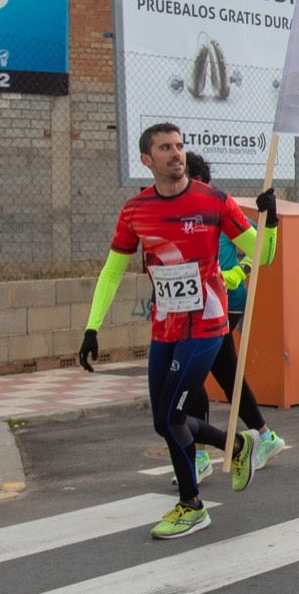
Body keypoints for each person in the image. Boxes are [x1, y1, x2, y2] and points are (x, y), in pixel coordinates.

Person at [78, 123, 265, 539]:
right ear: (147, 160)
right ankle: (236, 446)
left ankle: (191, 505)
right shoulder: (135, 211)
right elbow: (112, 271)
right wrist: (92, 327)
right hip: (165, 325)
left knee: (172, 414)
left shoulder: (214, 201)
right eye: (165, 148)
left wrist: (264, 224)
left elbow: (264, 252)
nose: (176, 153)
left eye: (180, 146)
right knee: (163, 422)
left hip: (207, 321)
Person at [177, 153, 285, 481]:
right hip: (192, 306)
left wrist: (239, 272)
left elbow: (261, 250)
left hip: (225, 303)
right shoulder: (177, 214)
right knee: (225, 374)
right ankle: (264, 436)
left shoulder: (218, 208)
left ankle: (198, 455)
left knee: (198, 377)